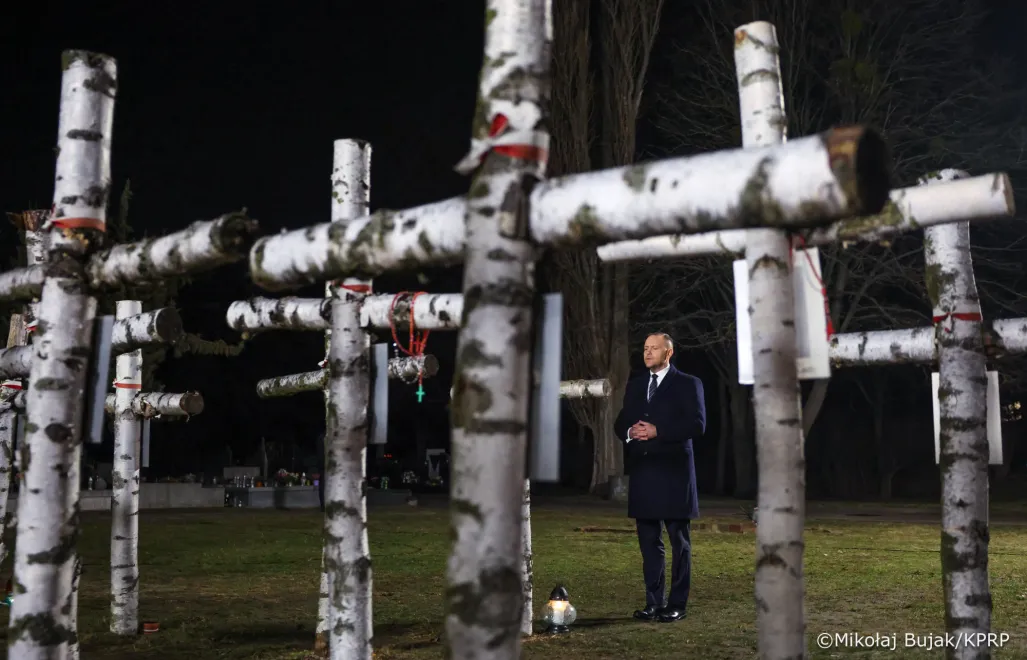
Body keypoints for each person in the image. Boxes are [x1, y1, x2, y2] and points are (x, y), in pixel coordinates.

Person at [613, 332, 705, 623]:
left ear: (668, 353)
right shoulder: (637, 384)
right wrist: (630, 433)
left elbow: (697, 424)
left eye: (654, 348)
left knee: (680, 543)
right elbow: (621, 422)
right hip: (644, 474)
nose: (647, 353)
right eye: (644, 348)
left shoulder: (689, 383)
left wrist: (658, 431)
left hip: (675, 474)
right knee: (648, 543)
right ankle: (653, 603)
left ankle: (677, 604)